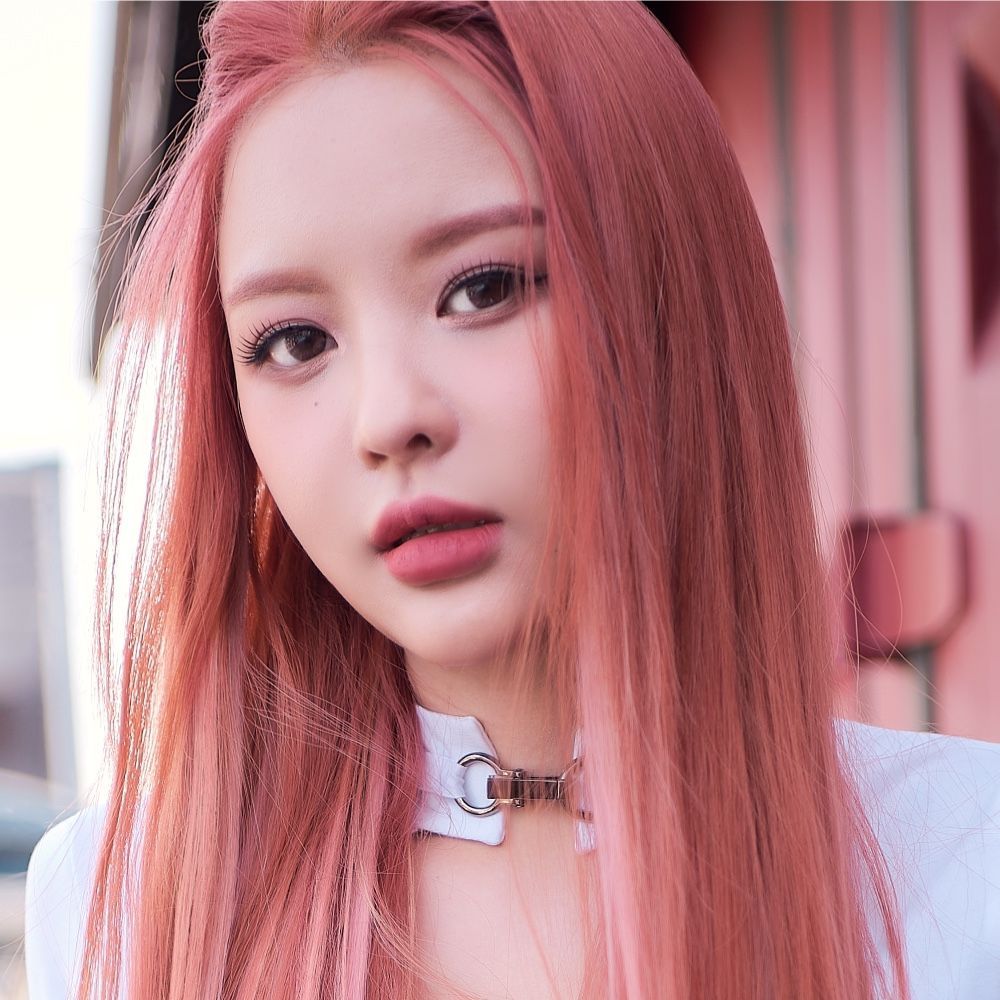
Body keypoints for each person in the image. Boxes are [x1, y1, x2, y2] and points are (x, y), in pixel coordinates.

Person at [22, 2, 1000, 998]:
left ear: (668, 296)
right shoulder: (122, 905)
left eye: (481, 286)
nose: (389, 416)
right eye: (293, 341)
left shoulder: (967, 867)